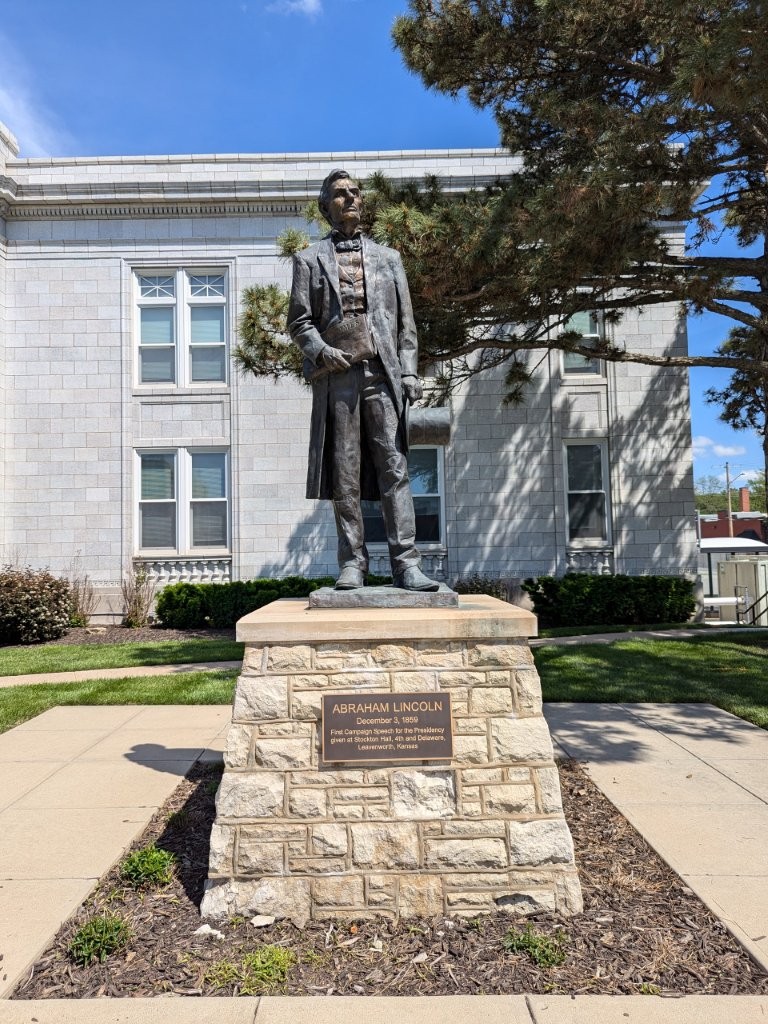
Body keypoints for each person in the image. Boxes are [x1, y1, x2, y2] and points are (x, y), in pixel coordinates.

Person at [287, 168, 439, 591]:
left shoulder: (389, 258)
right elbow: (299, 321)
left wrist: (409, 371)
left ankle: (406, 563)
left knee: (395, 467)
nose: (350, 198)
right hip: (338, 378)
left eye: (355, 192)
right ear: (326, 206)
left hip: (382, 376)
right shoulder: (309, 259)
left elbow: (406, 324)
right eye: (340, 194)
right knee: (346, 474)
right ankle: (352, 562)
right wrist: (320, 350)